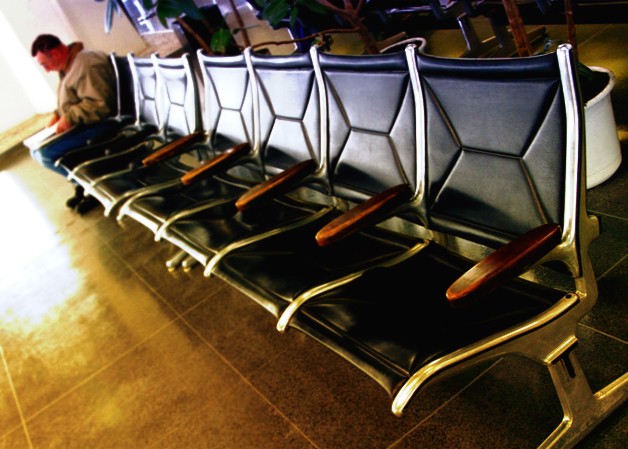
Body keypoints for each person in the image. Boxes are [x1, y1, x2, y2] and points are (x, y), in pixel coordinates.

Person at [30, 34, 118, 214]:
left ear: (54, 53)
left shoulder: (86, 64)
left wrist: (69, 117)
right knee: (36, 149)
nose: (46, 70)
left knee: (46, 153)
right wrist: (57, 114)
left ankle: (94, 189)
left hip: (105, 123)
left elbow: (100, 105)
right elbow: (73, 98)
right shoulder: (70, 65)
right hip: (88, 122)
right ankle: (82, 184)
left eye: (45, 64)